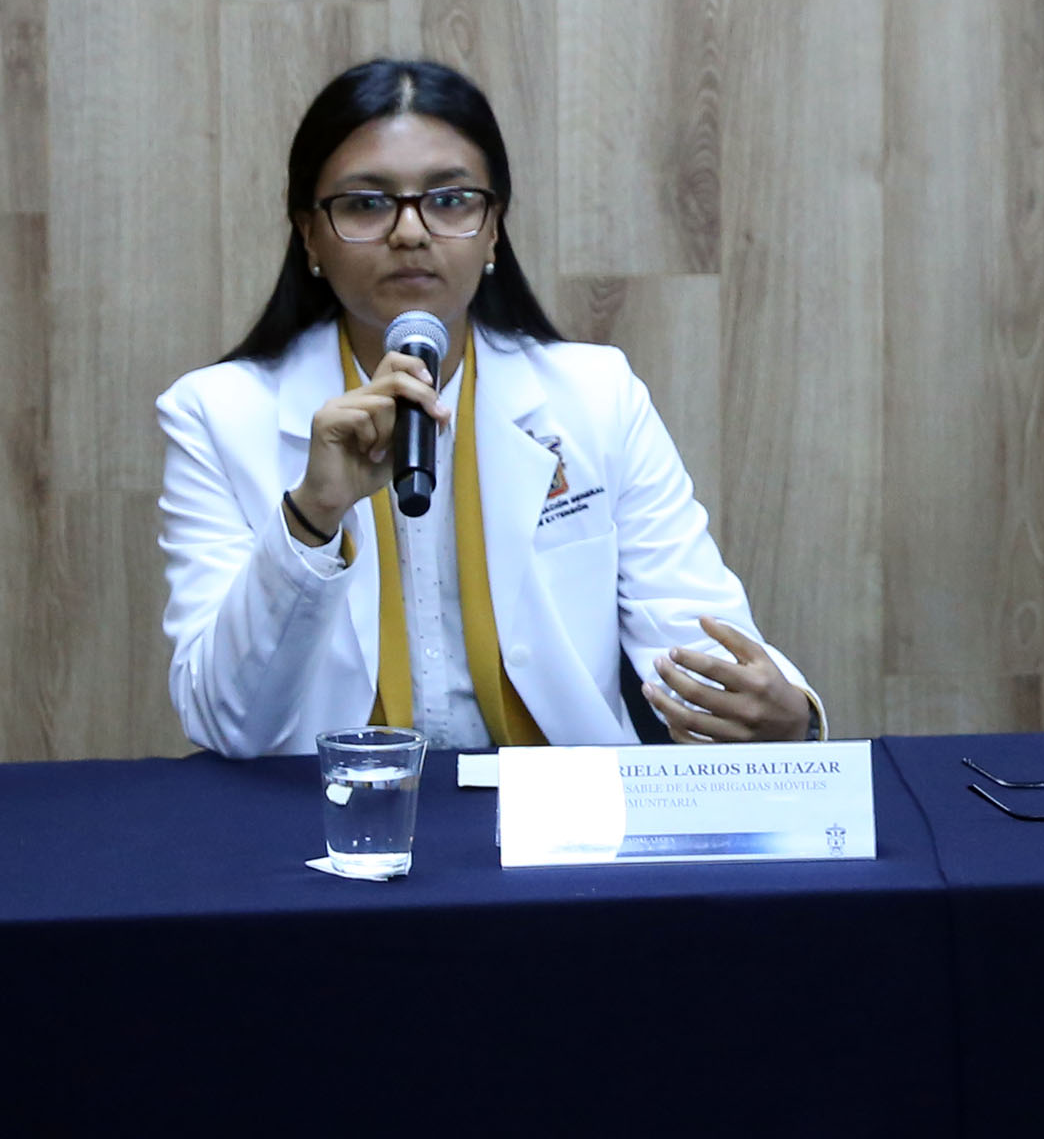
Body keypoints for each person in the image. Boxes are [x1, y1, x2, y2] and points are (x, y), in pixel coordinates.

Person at [157, 59, 821, 756]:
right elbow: (225, 720)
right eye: (366, 204)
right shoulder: (216, 415)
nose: (410, 232)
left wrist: (786, 718)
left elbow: (698, 640)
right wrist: (311, 517)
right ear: (310, 235)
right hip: (329, 807)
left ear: (493, 227)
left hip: (556, 806)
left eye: (450, 200)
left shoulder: (596, 395)